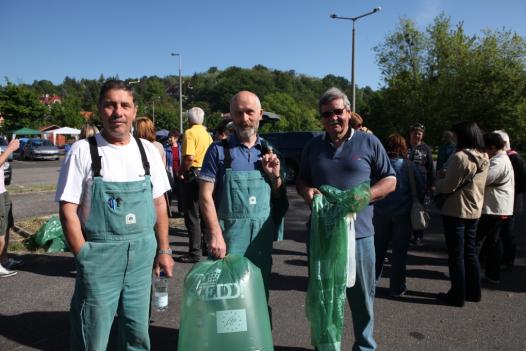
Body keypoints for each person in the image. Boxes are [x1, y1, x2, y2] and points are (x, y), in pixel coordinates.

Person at [55, 79, 174, 350]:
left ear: (134, 110)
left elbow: (159, 205)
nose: (117, 112)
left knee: (137, 332)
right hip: (99, 257)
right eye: (110, 105)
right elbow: (67, 211)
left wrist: (164, 250)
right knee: (92, 336)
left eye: (124, 105)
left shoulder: (147, 152)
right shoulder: (83, 151)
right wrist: (83, 256)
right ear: (100, 110)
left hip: (142, 257)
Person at [296, 87, 396, 351]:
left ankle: (364, 346)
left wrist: (365, 196)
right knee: (324, 296)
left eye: (338, 112)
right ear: (321, 118)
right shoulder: (313, 145)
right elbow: (301, 179)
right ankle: (326, 345)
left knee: (362, 298)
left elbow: (390, 180)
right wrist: (306, 191)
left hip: (360, 235)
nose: (333, 118)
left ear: (349, 113)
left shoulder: (369, 142)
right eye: (327, 114)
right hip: (322, 236)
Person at [198, 90, 288, 298]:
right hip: (228, 239)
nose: (244, 119)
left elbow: (278, 195)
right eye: (238, 113)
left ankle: (260, 331)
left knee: (258, 293)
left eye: (250, 112)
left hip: (261, 239)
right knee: (228, 296)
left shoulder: (269, 150)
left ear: (260, 114)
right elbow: (205, 195)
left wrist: (275, 176)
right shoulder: (218, 150)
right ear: (231, 115)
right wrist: (214, 234)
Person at [434, 121, 488, 307]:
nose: (454, 138)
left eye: (456, 135)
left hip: (456, 209)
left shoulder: (460, 157)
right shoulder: (484, 156)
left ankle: (457, 294)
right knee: (470, 252)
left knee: (456, 254)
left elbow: (448, 185)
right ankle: (474, 291)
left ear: (463, 136)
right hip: (474, 209)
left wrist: (437, 184)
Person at [374, 133, 424, 297]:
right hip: (403, 214)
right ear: (403, 148)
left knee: (377, 251)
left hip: (380, 212)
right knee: (399, 253)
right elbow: (421, 187)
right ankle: (397, 288)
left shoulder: (378, 165)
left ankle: (370, 283)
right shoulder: (410, 166)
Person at [175, 107, 213, 263]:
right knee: (204, 213)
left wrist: (181, 171)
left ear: (189, 120)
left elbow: (189, 157)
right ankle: (206, 246)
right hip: (206, 175)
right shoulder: (207, 135)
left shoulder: (189, 133)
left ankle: (194, 252)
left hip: (193, 175)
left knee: (192, 215)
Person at [476, 132, 514, 284]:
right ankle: (493, 274)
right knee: (493, 242)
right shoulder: (500, 158)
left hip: (494, 208)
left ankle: (469, 272)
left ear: (492, 147)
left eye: (485, 149)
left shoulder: (499, 161)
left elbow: (483, 179)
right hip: (498, 207)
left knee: (474, 241)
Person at [493, 130, 526, 269]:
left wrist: (511, 190)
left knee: (507, 230)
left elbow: (523, 180)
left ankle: (508, 260)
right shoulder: (505, 157)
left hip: (511, 200)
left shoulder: (514, 158)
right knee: (500, 230)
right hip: (505, 199)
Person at [407, 122, 435, 246]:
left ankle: (418, 236)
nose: (417, 136)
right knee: (405, 210)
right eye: (415, 133)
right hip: (406, 184)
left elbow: (430, 169)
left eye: (419, 133)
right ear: (410, 134)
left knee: (420, 210)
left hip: (421, 186)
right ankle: (405, 234)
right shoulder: (405, 146)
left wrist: (432, 185)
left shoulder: (425, 149)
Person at [0, 138, 20, 278]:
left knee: (6, 226)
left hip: (2, 190)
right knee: (0, 231)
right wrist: (9, 149)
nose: (2, 118)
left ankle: (4, 260)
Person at [165, 130, 183, 216]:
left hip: (180, 173)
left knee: (181, 192)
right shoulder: (166, 149)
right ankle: (168, 211)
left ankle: (181, 211)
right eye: (169, 137)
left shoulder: (181, 148)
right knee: (169, 192)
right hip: (170, 173)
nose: (169, 139)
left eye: (171, 137)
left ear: (176, 138)